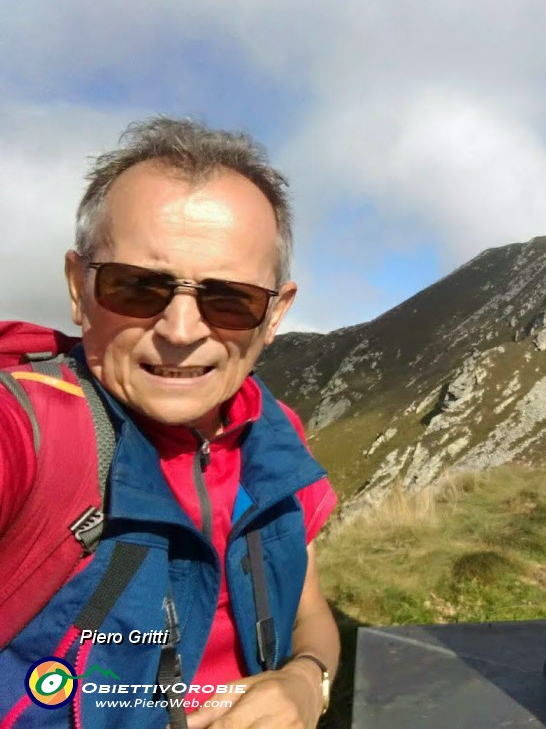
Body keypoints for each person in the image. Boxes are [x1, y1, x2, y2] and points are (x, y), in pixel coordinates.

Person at [0, 117, 339, 728]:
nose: (181, 332)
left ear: (276, 313)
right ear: (79, 289)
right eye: (136, 287)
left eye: (230, 298)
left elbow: (309, 606)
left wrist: (305, 676)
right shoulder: (27, 431)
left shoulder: (275, 434)